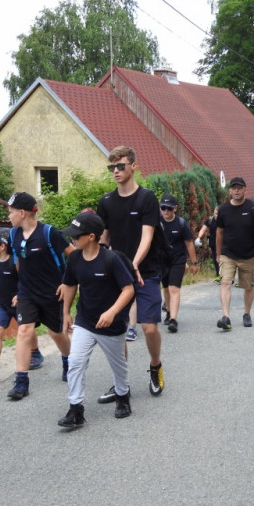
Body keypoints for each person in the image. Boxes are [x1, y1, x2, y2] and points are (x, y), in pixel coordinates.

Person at [96, 146, 165, 396]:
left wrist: (134, 264)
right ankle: (120, 382)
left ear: (133, 166)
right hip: (117, 275)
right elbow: (103, 237)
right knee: (117, 331)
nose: (115, 171)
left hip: (146, 271)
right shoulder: (106, 202)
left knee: (149, 327)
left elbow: (147, 236)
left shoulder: (146, 198)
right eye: (112, 167)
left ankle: (155, 366)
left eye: (120, 166)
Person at [57, 212, 135, 428]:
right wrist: (66, 312)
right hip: (85, 320)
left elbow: (128, 289)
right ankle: (75, 409)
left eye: (76, 235)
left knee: (118, 365)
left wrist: (112, 312)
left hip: (112, 324)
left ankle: (122, 397)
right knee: (75, 362)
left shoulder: (111, 259)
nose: (72, 239)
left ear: (91, 236)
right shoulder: (74, 258)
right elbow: (70, 284)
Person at [2, 192, 73, 401]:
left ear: (22, 213)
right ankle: (21, 382)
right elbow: (18, 263)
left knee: (56, 333)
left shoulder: (50, 233)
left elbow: (74, 255)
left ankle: (68, 361)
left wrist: (66, 283)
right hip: (27, 293)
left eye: (11, 212)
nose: (8, 216)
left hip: (52, 293)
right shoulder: (13, 235)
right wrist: (18, 291)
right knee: (24, 331)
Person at [0, 227, 43, 381]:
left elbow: (26, 280)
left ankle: (35, 353)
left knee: (26, 330)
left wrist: (20, 295)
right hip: (3, 304)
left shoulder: (16, 261)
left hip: (21, 303)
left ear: (2, 246)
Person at [215, 177, 254, 330]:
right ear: (229, 191)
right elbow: (219, 232)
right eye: (234, 188)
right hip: (228, 254)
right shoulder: (223, 209)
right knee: (225, 283)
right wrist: (218, 254)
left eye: (239, 188)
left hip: (249, 254)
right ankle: (226, 317)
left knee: (248, 286)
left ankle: (246, 313)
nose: (237, 190)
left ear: (245, 190)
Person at [159, 194, 199, 333]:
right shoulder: (156, 222)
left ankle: (173, 320)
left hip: (178, 260)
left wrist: (193, 263)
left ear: (175, 208)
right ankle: (169, 312)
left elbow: (189, 243)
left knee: (174, 288)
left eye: (169, 208)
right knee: (166, 288)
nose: (166, 211)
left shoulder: (181, 223)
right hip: (162, 260)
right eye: (163, 208)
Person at [196, 205, 220, 281]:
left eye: (218, 214)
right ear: (214, 212)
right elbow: (203, 229)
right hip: (213, 243)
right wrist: (198, 237)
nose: (217, 215)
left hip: (223, 243)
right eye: (216, 213)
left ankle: (227, 276)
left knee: (224, 260)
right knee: (215, 259)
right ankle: (218, 275)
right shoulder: (210, 220)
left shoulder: (224, 220)